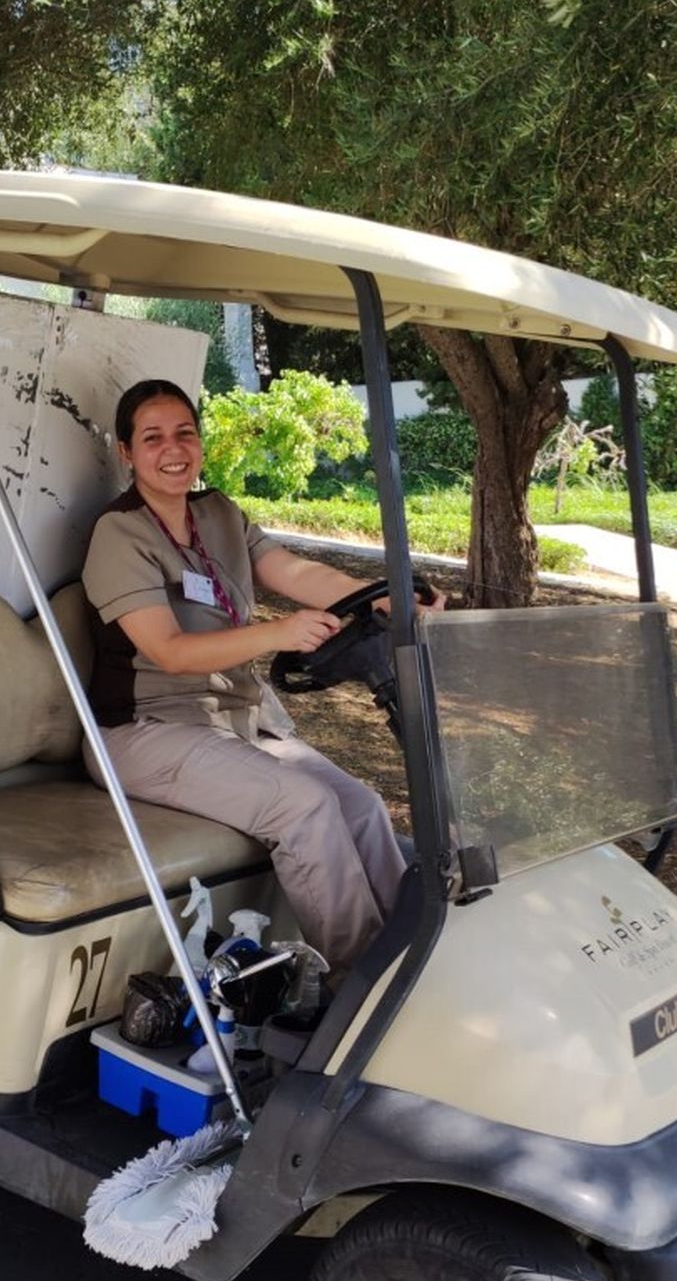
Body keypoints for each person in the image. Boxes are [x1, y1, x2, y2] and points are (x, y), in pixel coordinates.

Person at [80, 377, 441, 974]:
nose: (173, 449)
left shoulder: (217, 512)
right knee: (303, 805)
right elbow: (169, 652)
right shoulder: (119, 534)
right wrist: (278, 634)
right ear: (126, 452)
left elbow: (296, 574)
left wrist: (388, 597)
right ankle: (362, 985)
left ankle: (418, 958)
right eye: (152, 438)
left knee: (363, 805)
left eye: (184, 433)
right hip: (144, 732)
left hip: (235, 721)